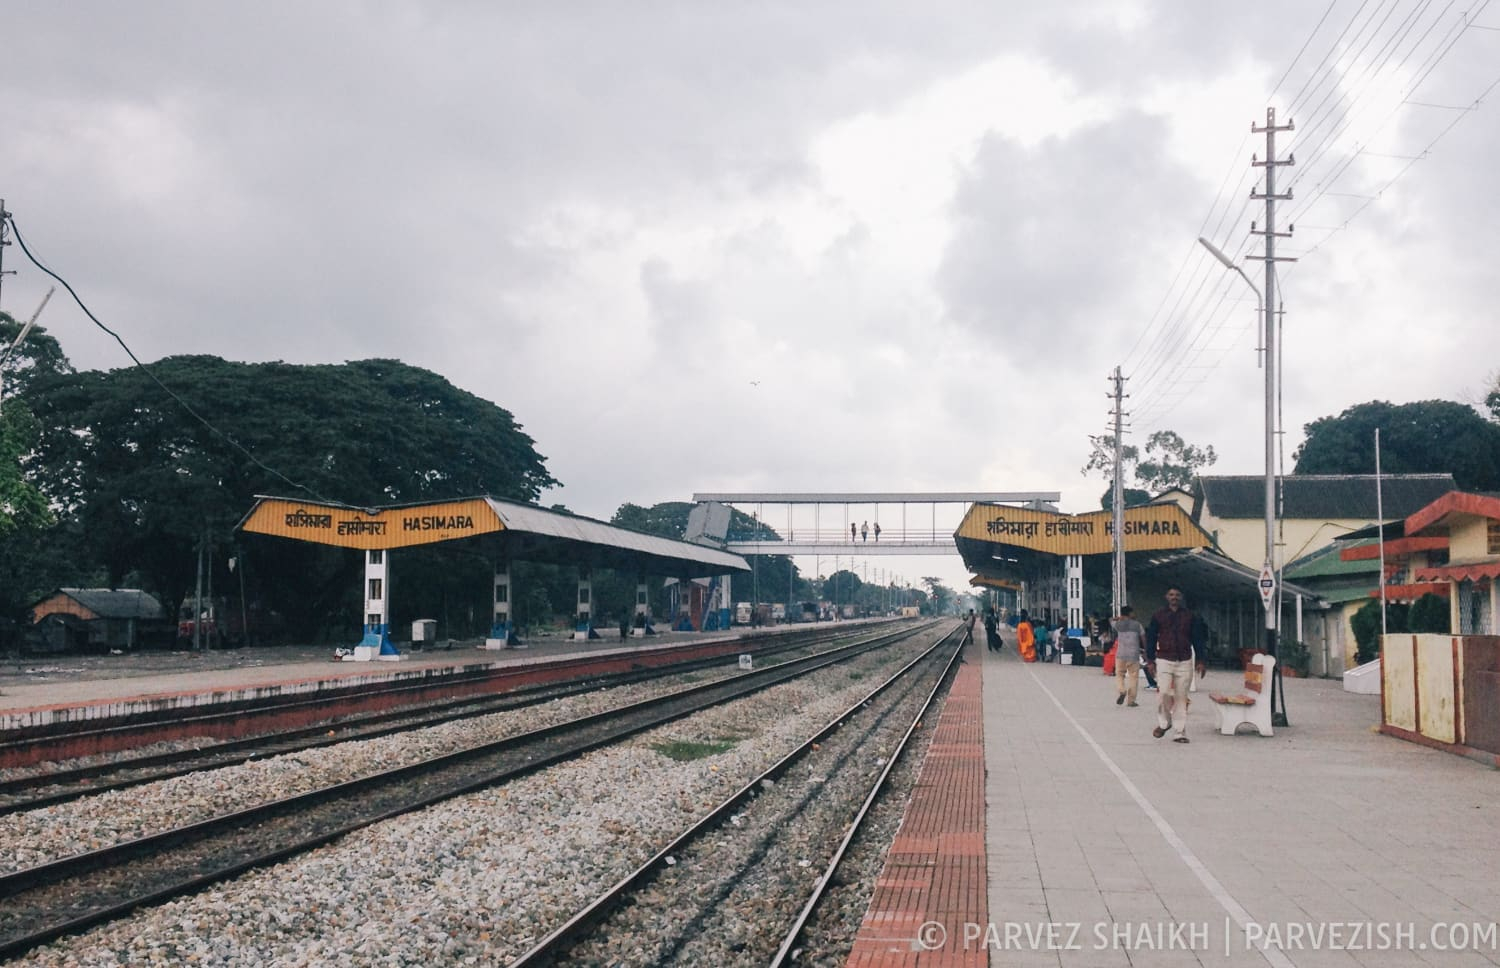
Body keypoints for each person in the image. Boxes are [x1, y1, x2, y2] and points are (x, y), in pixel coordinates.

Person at [1145, 588, 1207, 743]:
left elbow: (1198, 639)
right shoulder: (1158, 615)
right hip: (1164, 659)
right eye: (1171, 595)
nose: (1174, 597)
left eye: (1177, 595)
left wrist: (1201, 660)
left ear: (1181, 597)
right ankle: (1165, 723)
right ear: (1166, 597)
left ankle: (1180, 732)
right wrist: (1150, 660)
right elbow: (1151, 638)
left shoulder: (1190, 616)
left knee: (1181, 697)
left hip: (1184, 660)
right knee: (1163, 693)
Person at [1111, 605, 1146, 707]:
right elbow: (1143, 638)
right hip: (1133, 654)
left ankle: (1122, 690)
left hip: (1121, 654)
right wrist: (1145, 651)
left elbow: (1111, 620)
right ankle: (1131, 701)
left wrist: (1118, 618)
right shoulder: (1137, 625)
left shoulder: (1118, 624)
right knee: (1133, 677)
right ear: (1130, 613)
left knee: (1119, 674)